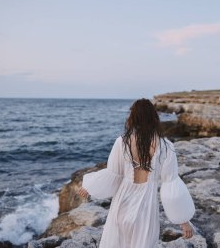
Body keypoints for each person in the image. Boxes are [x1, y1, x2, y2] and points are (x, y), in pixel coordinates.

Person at [77, 98, 195, 248]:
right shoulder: (166, 146)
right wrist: (183, 221)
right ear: (154, 117)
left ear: (133, 117)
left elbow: (112, 174)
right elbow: (170, 185)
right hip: (145, 208)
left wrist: (90, 187)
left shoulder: (122, 142)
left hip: (122, 203)